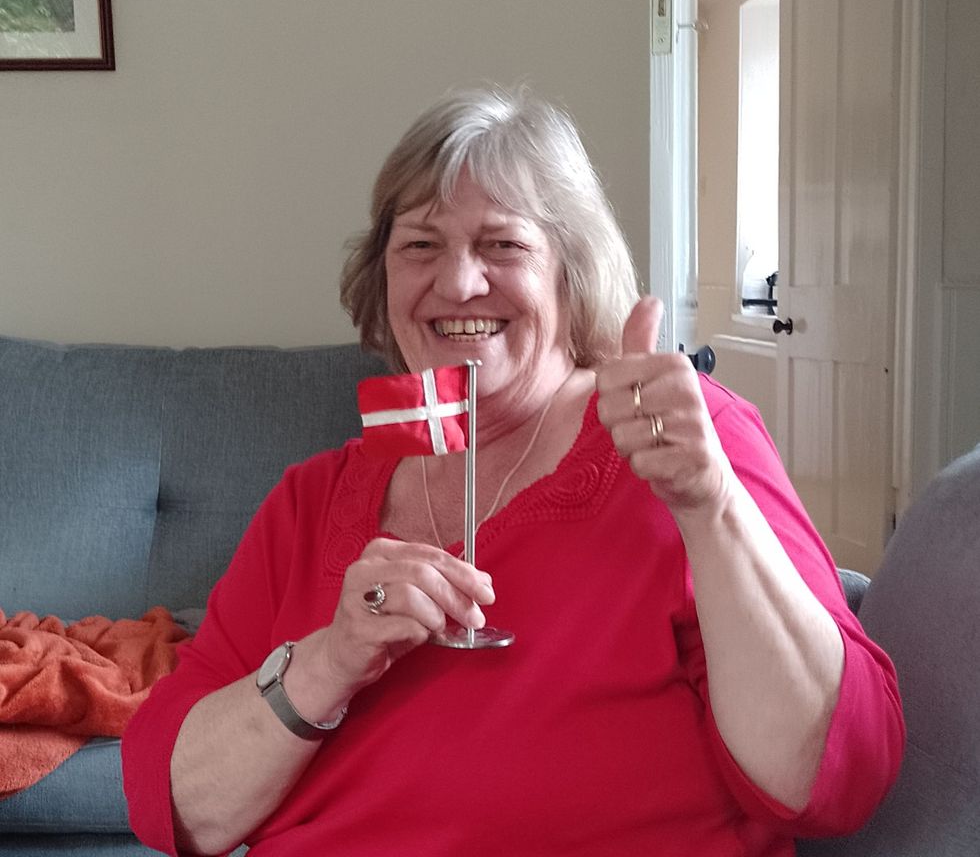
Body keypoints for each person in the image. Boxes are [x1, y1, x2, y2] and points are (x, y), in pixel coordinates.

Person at [122, 85, 904, 856]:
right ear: (382, 279)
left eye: (504, 244)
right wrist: (326, 666)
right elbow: (175, 807)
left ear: (570, 272)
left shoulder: (681, 437)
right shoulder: (310, 499)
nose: (459, 283)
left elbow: (834, 781)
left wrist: (712, 509)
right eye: (421, 246)